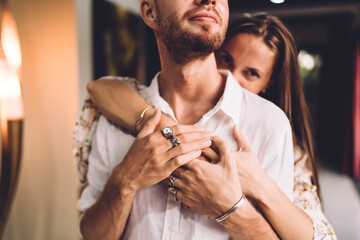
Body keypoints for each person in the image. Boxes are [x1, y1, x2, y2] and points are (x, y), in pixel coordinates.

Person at [74, 13, 337, 239]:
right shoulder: (128, 108)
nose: (231, 78)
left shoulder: (278, 135)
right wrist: (160, 128)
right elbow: (99, 87)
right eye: (226, 60)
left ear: (268, 83)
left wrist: (253, 188)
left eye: (251, 73)